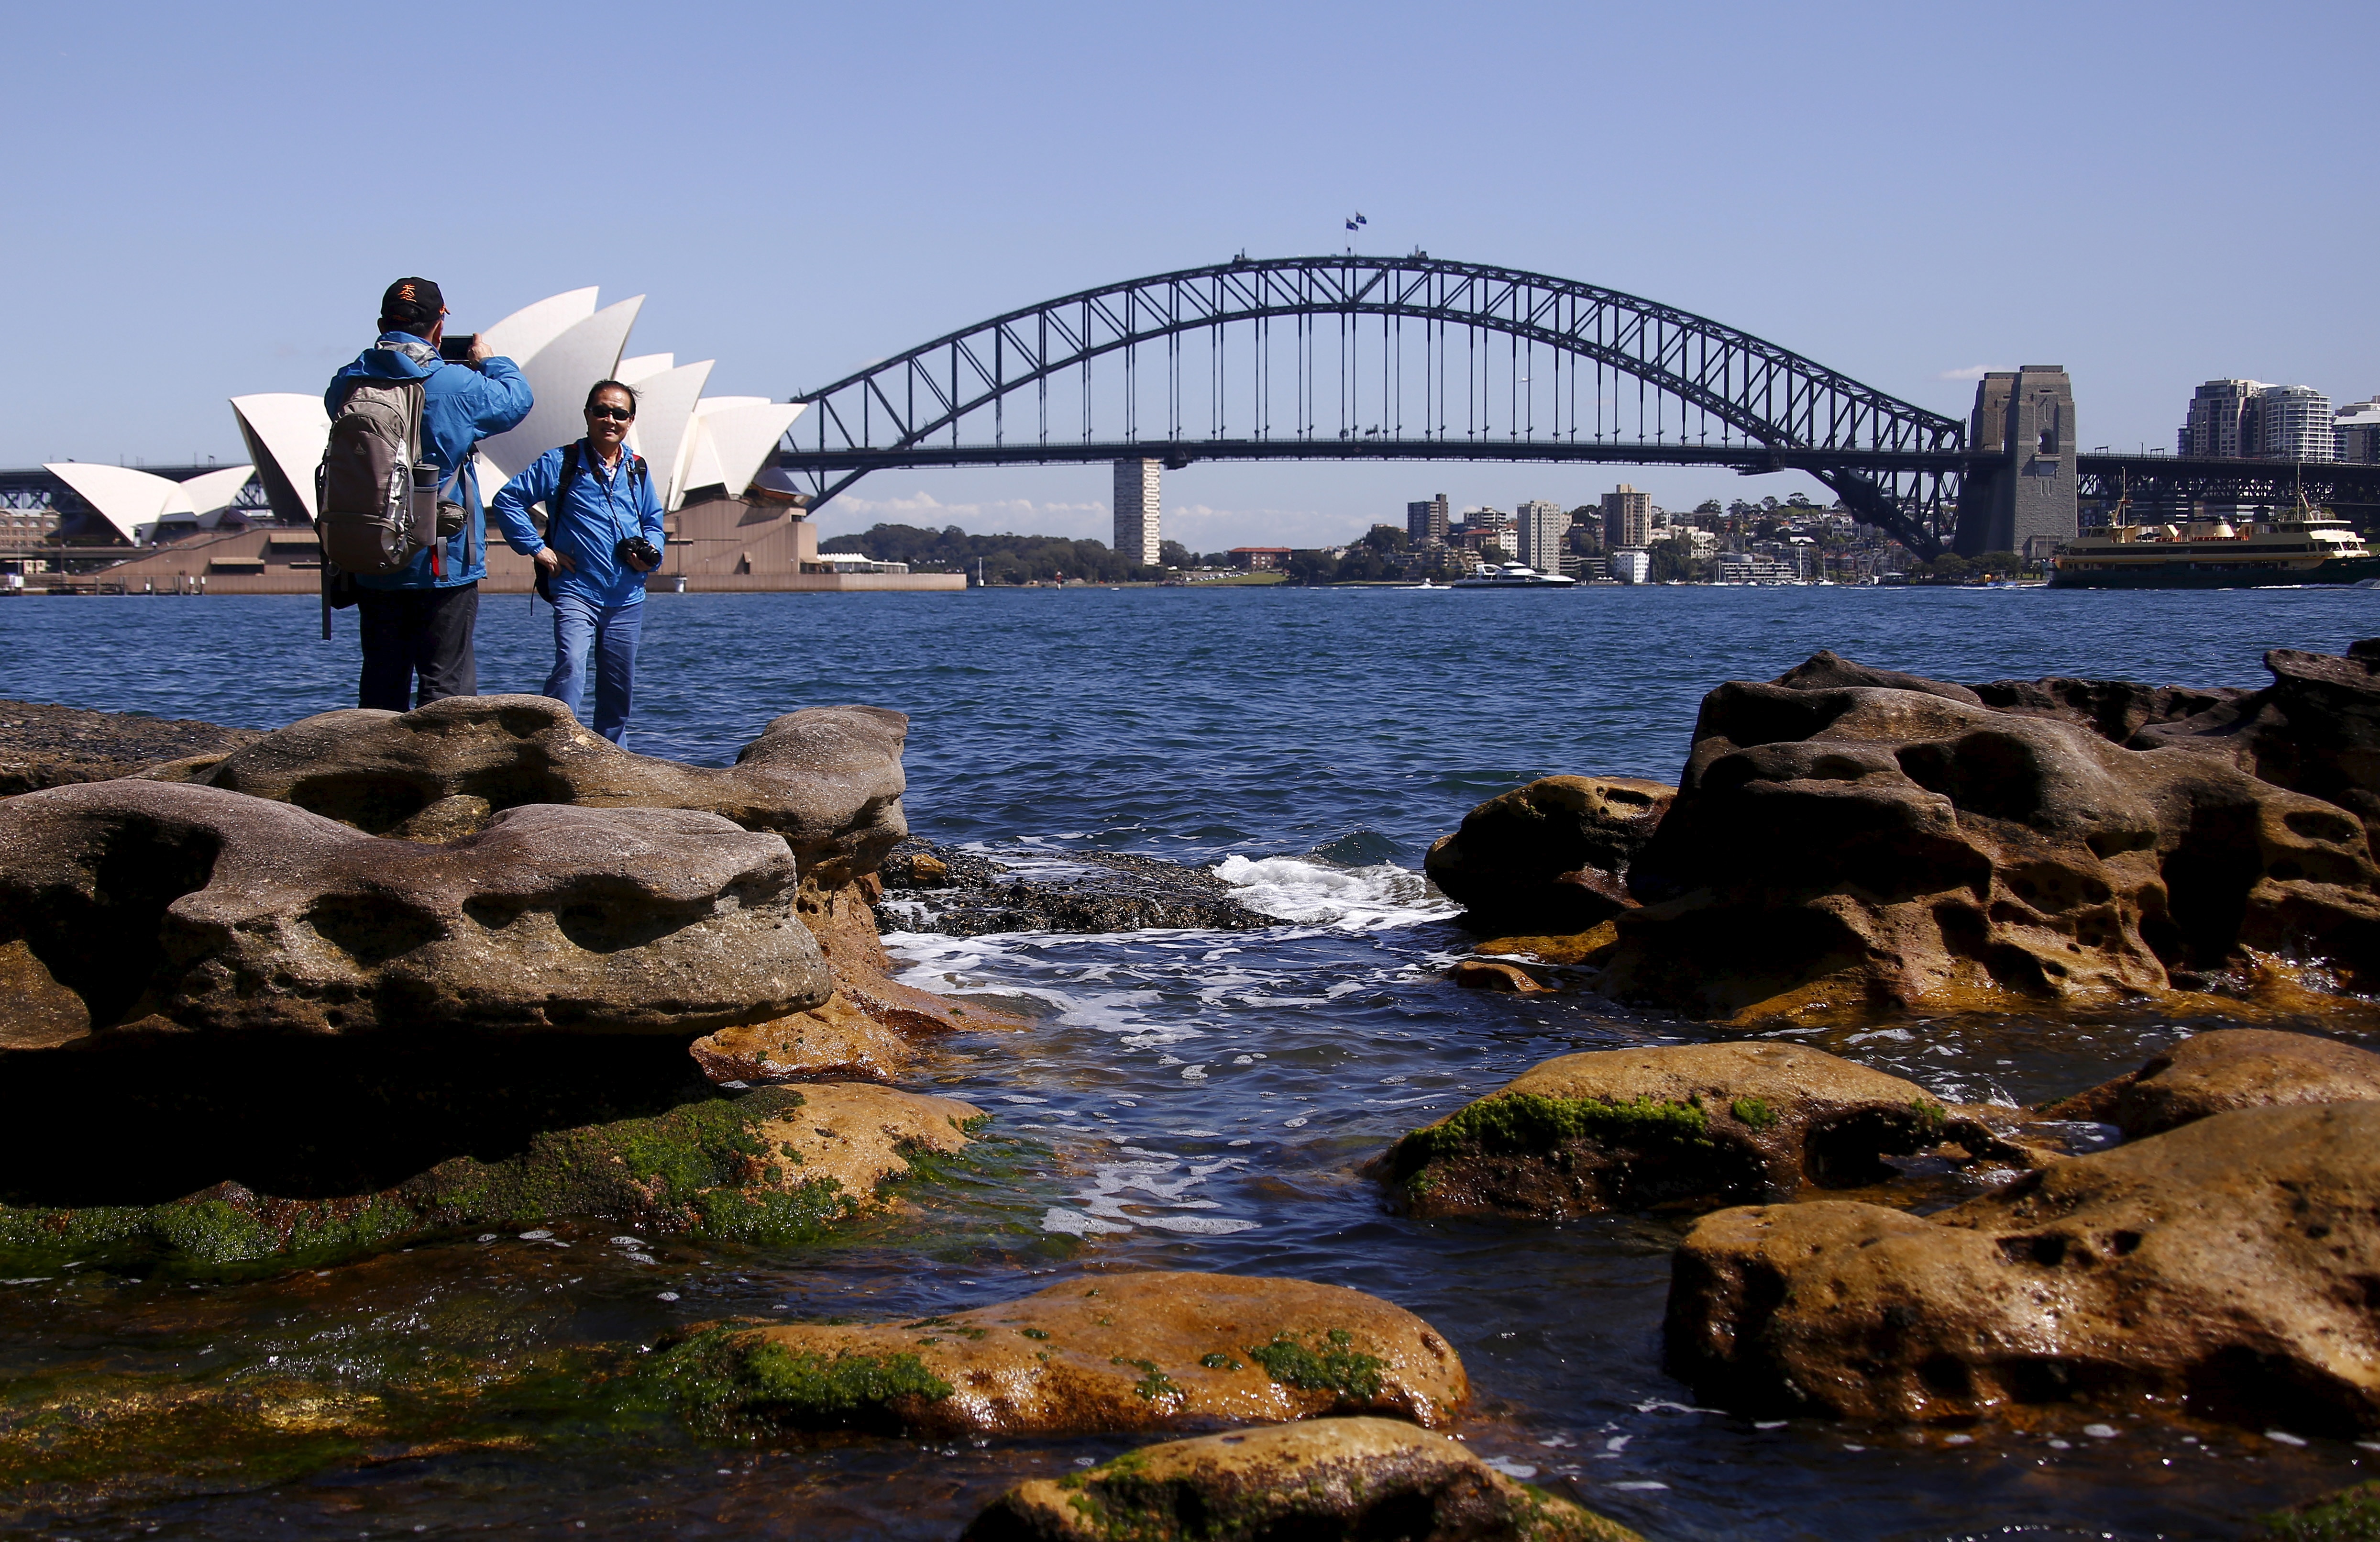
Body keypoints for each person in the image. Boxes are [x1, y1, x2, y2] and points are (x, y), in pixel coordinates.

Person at [325, 278, 533, 710]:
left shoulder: (347, 382)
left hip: (373, 550)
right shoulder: (457, 384)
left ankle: (375, 772)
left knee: (381, 684)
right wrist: (490, 362)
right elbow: (518, 400)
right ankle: (444, 776)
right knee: (446, 687)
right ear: (439, 327)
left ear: (382, 323)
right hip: (442, 557)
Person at [490, 381, 666, 743]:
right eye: (602, 411)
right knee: (571, 666)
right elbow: (508, 501)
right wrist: (539, 549)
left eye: (619, 414)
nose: (610, 419)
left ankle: (614, 757)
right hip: (576, 590)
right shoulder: (561, 462)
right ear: (587, 414)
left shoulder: (637, 469)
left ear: (631, 421)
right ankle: (552, 746)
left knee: (619, 688)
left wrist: (652, 555)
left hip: (627, 596)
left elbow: (653, 521)